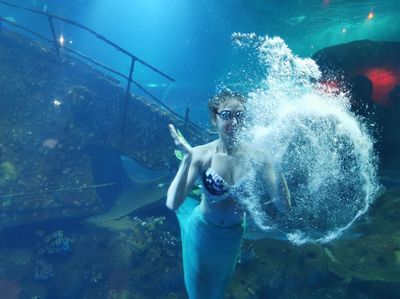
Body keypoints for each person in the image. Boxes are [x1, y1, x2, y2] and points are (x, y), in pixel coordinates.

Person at [166, 90, 291, 299]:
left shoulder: (259, 158)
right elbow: (172, 202)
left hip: (231, 239)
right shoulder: (201, 154)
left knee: (217, 292)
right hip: (203, 234)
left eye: (239, 115)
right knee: (198, 293)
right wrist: (187, 160)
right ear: (214, 119)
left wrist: (278, 167)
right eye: (226, 115)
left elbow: (284, 207)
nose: (233, 122)